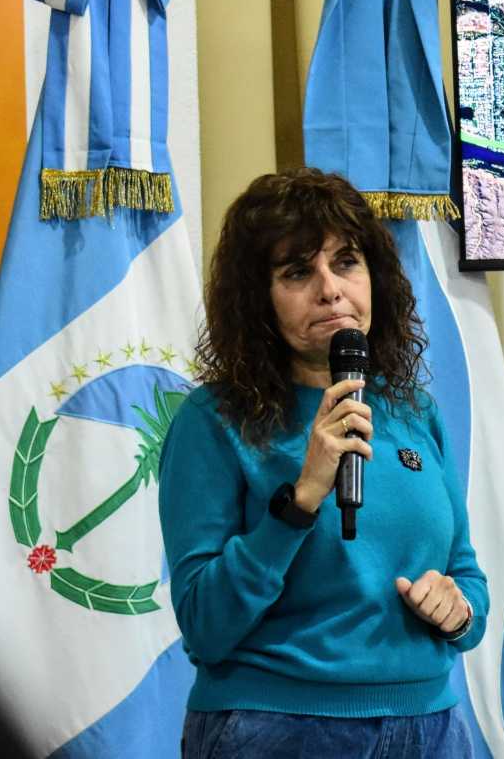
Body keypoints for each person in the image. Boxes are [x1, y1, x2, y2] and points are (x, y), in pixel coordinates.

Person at [158, 168, 485, 758]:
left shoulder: (413, 411)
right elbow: (205, 624)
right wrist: (302, 497)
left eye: (346, 262)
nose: (330, 289)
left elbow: (467, 574)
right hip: (277, 727)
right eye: (297, 271)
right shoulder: (214, 421)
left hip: (431, 725)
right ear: (258, 300)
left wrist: (457, 608)